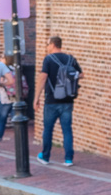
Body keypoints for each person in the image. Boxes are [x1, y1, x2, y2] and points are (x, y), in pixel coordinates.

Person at [34, 36, 82, 166]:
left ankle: (45, 156)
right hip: (68, 99)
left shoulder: (48, 59)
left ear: (53, 45)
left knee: (48, 129)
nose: (47, 47)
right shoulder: (70, 59)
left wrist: (36, 98)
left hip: (52, 100)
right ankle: (68, 159)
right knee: (67, 129)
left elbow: (43, 78)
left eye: (47, 44)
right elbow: (81, 74)